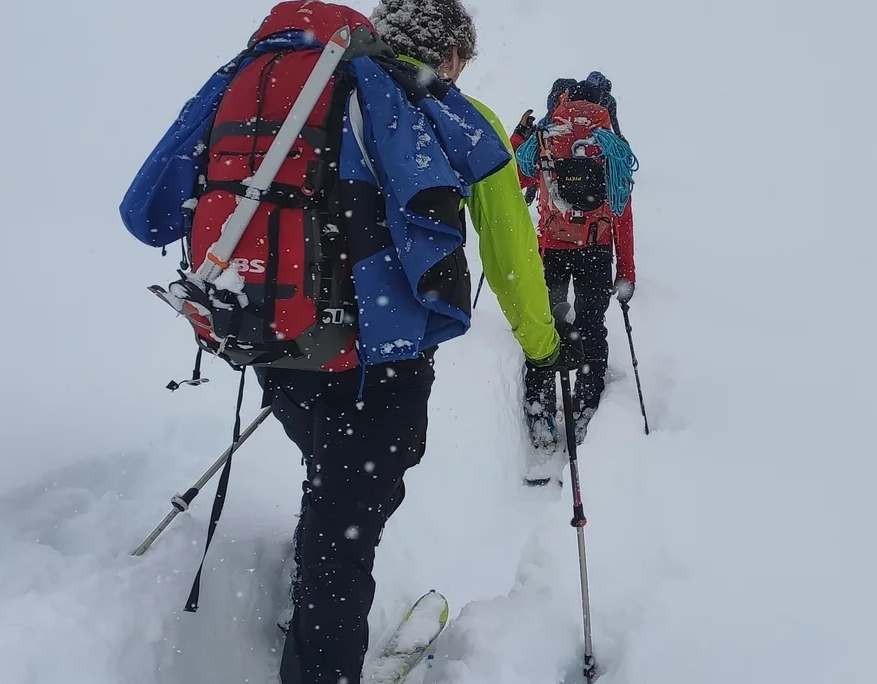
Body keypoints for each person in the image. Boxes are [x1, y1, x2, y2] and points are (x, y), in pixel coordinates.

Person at [120, 2, 579, 683]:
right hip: (379, 365)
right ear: (449, 54)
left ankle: (315, 604)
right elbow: (511, 255)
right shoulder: (448, 111)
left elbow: (144, 212)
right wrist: (543, 348)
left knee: (334, 490)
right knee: (348, 527)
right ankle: (321, 653)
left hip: (273, 337)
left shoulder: (275, 86)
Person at [509, 72, 638, 468]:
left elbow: (513, 176)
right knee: (591, 324)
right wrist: (627, 269)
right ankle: (584, 410)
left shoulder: (546, 137)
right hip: (596, 249)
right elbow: (622, 213)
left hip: (550, 246)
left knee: (544, 323)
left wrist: (519, 135)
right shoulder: (611, 145)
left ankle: (540, 410)